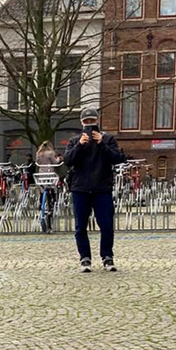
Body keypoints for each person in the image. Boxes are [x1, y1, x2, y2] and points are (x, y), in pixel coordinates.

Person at [62, 106, 125, 272]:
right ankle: (85, 258)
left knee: (106, 225)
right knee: (80, 226)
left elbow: (116, 158)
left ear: (97, 121)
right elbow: (68, 160)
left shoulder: (108, 139)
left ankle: (107, 257)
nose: (89, 124)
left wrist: (101, 143)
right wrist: (80, 146)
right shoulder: (74, 141)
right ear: (81, 123)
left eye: (92, 121)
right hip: (80, 188)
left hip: (102, 188)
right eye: (86, 121)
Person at [35, 141, 62, 233]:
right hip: (50, 173)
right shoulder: (51, 153)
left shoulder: (39, 153)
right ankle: (53, 201)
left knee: (43, 189)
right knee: (52, 187)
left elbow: (37, 162)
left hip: (42, 174)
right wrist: (59, 158)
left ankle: (41, 202)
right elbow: (55, 162)